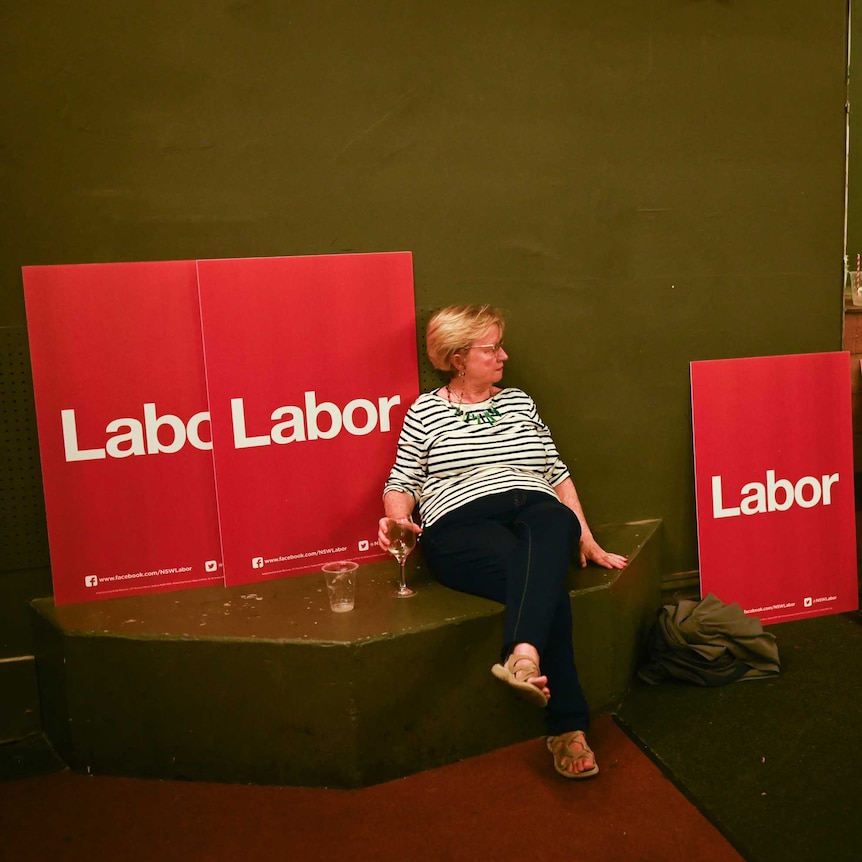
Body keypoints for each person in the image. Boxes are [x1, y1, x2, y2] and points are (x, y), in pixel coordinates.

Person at [377, 304, 627, 780]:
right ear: (457, 358)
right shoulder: (425, 411)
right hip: (461, 519)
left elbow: (555, 473)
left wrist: (587, 538)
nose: (504, 356)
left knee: (555, 522)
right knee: (543, 582)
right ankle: (567, 727)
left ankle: (523, 657)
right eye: (491, 348)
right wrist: (398, 519)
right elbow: (402, 480)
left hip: (534, 509)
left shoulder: (518, 402)